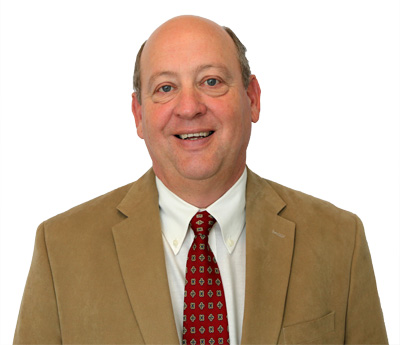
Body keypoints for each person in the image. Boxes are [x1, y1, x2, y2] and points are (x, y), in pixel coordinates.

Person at [14, 15, 388, 345]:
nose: (190, 107)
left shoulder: (340, 242)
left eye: (211, 81)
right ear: (138, 114)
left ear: (252, 98)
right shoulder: (61, 250)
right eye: (165, 88)